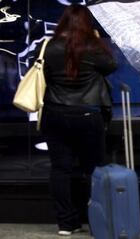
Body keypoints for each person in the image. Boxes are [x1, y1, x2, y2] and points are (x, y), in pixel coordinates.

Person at [39, 4, 117, 236]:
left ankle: (66, 223)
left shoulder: (50, 46)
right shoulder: (93, 47)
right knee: (93, 170)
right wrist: (96, 39)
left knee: (60, 169)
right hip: (87, 115)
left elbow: (45, 75)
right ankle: (96, 222)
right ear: (87, 23)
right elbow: (112, 66)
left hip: (55, 114)